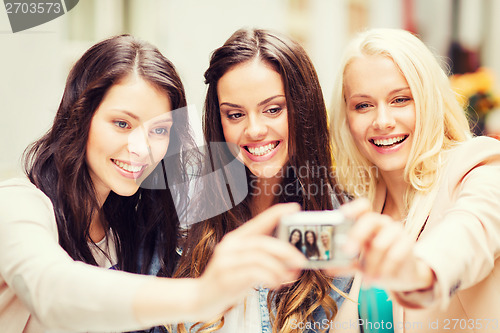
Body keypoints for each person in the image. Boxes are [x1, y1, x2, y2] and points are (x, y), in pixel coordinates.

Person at [0, 34, 305, 332]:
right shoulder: (18, 205)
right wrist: (202, 295)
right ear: (80, 116)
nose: (141, 148)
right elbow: (50, 291)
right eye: (122, 124)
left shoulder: (133, 223)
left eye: (159, 131)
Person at [172, 28, 352, 333]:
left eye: (273, 109)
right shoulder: (185, 220)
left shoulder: (337, 224)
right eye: (235, 115)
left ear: (303, 109)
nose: (254, 130)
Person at [329, 28, 500, 332]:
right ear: (347, 117)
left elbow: (471, 232)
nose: (382, 121)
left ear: (428, 100)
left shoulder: (476, 166)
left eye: (400, 99)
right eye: (363, 105)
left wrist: (420, 272)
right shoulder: (359, 208)